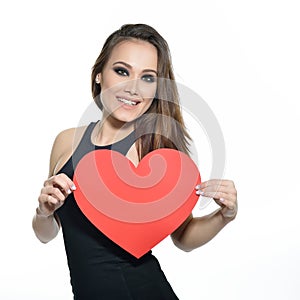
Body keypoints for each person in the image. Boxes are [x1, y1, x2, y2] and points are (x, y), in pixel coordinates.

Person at [32, 23, 238, 299]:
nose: (133, 88)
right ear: (98, 75)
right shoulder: (66, 142)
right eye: (121, 71)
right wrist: (43, 212)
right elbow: (46, 234)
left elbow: (184, 238)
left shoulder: (158, 154)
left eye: (148, 78)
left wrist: (224, 216)